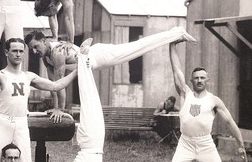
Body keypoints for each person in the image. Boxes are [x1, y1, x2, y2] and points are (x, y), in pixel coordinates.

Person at [25, 27, 196, 121]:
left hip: (99, 56)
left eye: (36, 46)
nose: (34, 51)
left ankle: (176, 33)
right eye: (31, 49)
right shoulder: (46, 58)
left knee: (137, 47)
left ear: (44, 40)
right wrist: (56, 107)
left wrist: (59, 109)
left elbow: (61, 84)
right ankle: (173, 33)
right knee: (137, 48)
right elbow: (53, 85)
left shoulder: (57, 53)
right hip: (92, 61)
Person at [166, 41, 249, 162]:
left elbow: (230, 122)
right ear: (191, 80)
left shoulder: (214, 100)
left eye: (203, 78)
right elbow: (176, 68)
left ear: (207, 81)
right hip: (185, 143)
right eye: (196, 78)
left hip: (205, 145)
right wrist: (172, 45)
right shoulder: (185, 93)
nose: (199, 80)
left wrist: (241, 145)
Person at [44, 40, 107, 162]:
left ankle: (82, 55)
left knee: (89, 99)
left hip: (90, 140)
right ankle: (84, 58)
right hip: (95, 142)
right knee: (92, 101)